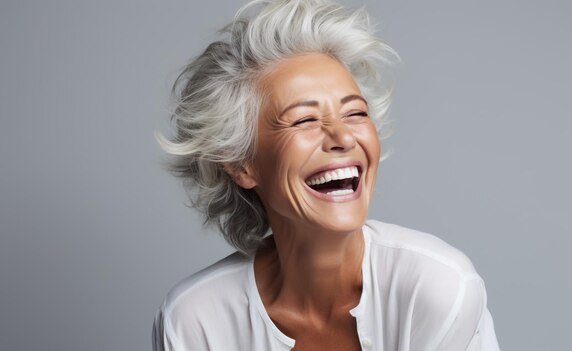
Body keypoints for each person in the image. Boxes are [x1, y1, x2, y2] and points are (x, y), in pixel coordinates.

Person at [152, 0, 501, 350]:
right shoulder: (194, 323)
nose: (344, 137)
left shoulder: (436, 289)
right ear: (241, 164)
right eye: (304, 120)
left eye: (355, 113)